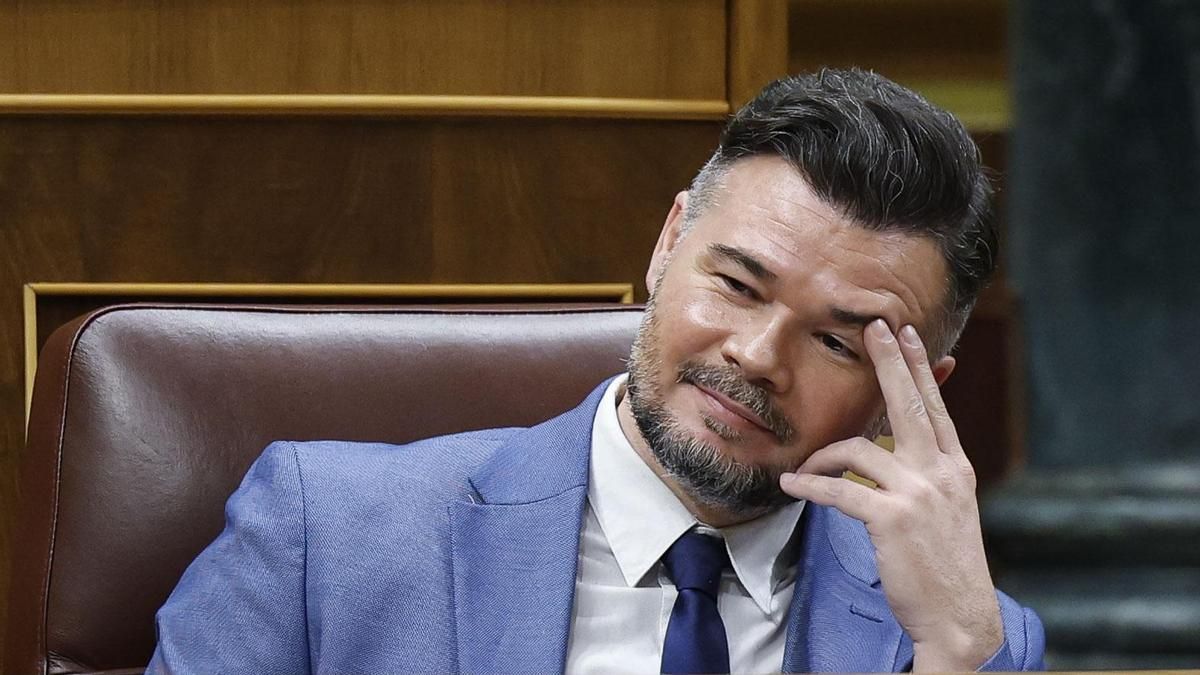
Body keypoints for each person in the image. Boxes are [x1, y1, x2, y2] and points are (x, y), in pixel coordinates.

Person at [150, 68, 1045, 673]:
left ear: (917, 388)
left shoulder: (964, 637)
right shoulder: (326, 534)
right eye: (736, 283)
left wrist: (959, 654)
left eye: (838, 342)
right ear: (667, 245)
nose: (757, 357)